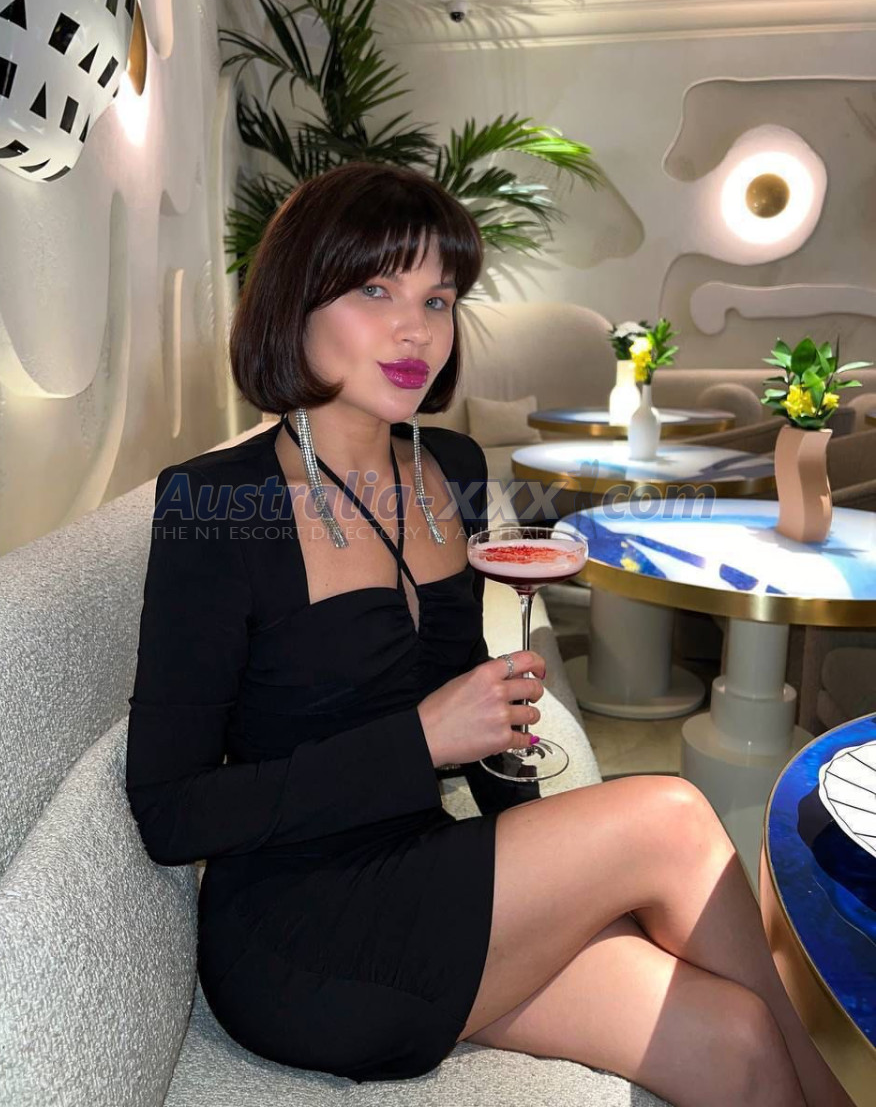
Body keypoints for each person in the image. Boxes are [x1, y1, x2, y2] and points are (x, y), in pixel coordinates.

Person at [126, 162, 852, 1107]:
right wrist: (421, 739)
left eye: (438, 299)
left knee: (737, 1040)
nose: (416, 330)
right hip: (301, 929)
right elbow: (170, 810)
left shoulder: (453, 466)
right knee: (669, 816)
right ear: (294, 303)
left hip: (433, 871)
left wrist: (544, 846)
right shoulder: (217, 502)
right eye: (375, 291)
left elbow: (468, 708)